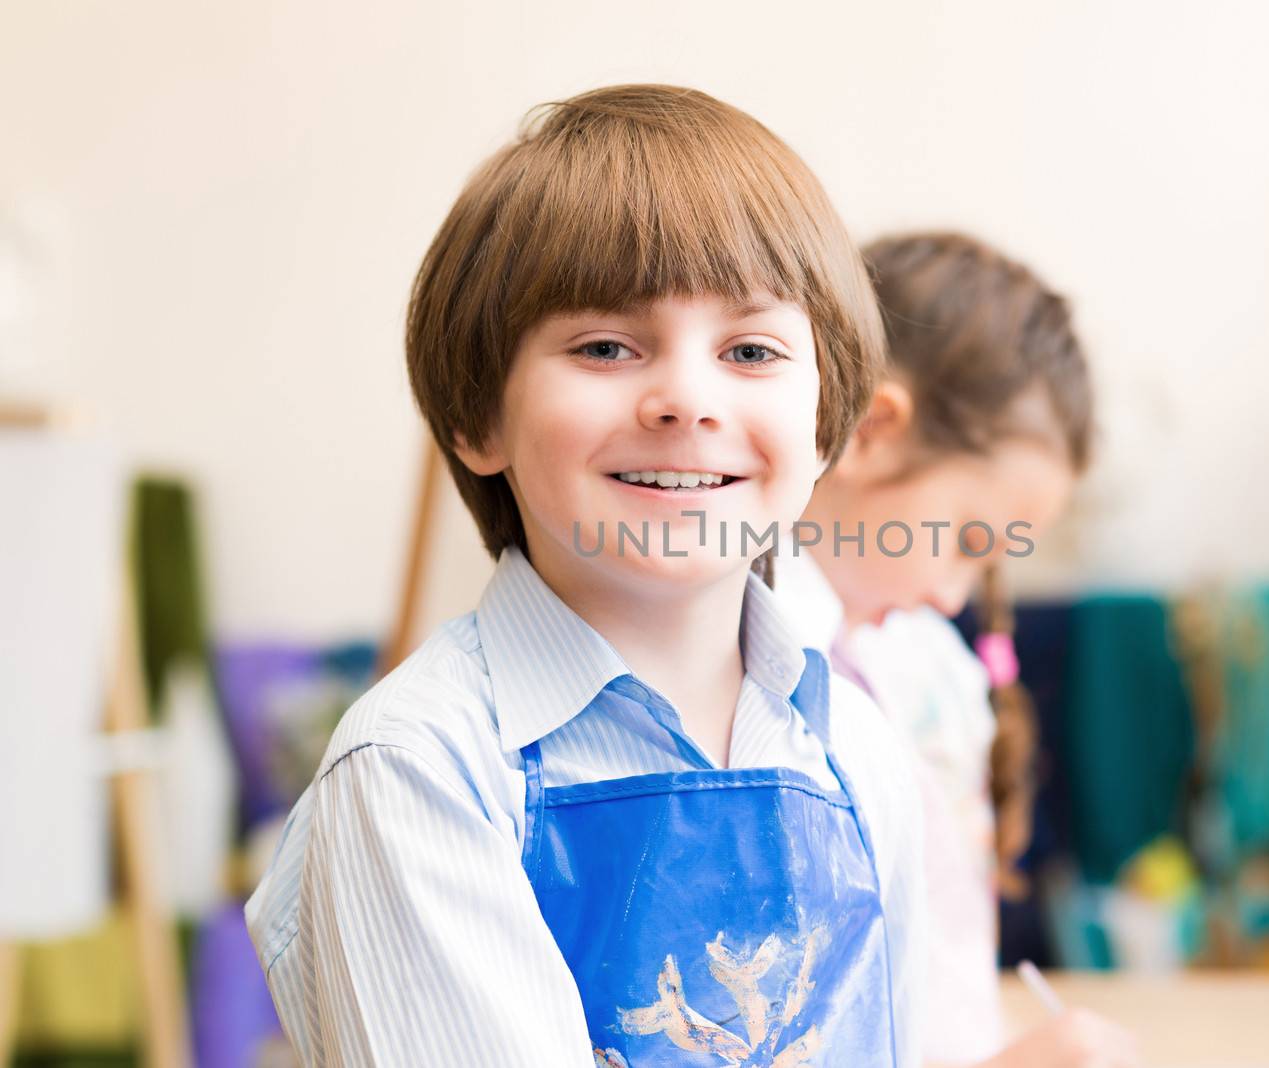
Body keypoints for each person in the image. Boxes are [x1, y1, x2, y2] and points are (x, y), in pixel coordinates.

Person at [245, 85, 925, 1067]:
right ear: (479, 418)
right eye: (605, 346)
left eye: (750, 349)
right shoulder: (418, 771)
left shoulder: (857, 749)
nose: (686, 398)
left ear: (824, 430)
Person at [778, 232, 1139, 1067]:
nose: (952, 597)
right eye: (967, 541)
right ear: (871, 431)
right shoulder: (727, 678)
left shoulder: (927, 666)